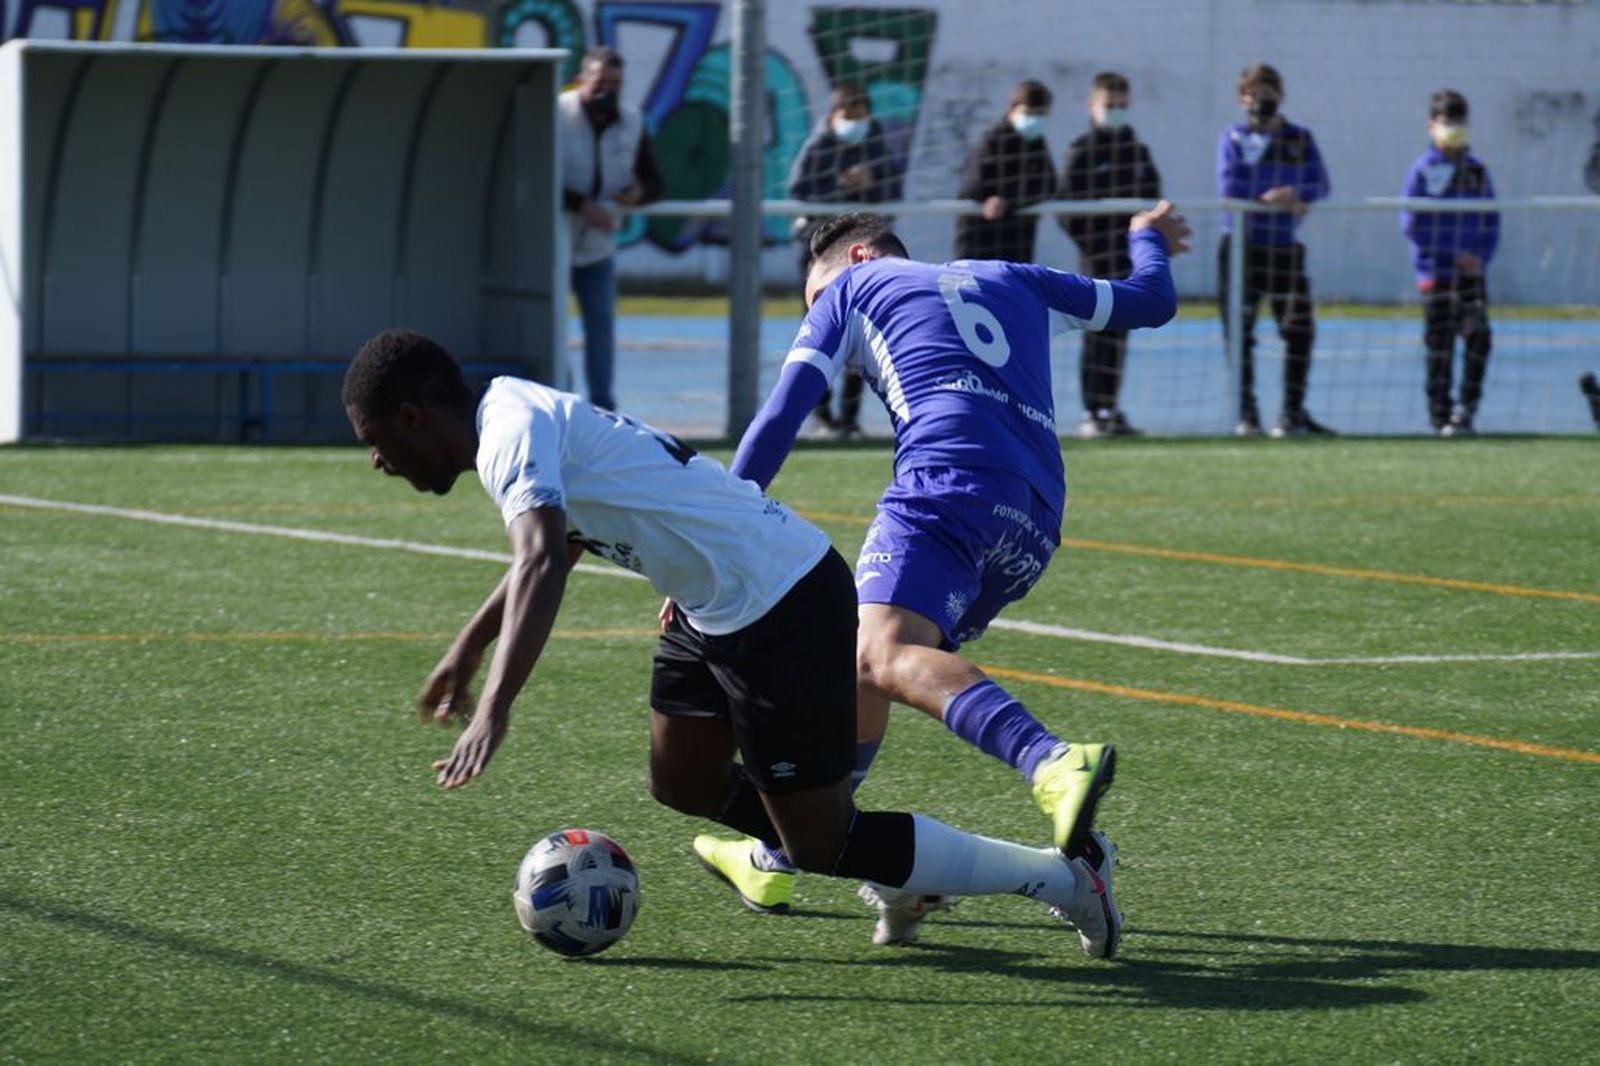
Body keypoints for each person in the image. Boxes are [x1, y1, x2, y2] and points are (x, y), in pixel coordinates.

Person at [340, 329, 1122, 957]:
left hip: (779, 600)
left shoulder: (510, 431)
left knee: (820, 843)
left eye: (375, 441)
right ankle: (895, 869)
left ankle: (1062, 878)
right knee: (681, 779)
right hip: (709, 608)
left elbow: (543, 557)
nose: (376, 462)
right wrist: (472, 648)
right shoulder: (511, 416)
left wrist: (496, 709)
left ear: (413, 417)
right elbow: (568, 542)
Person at [691, 204, 1191, 936]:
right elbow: (1153, 303)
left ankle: (1050, 761)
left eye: (814, 297)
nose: (820, 312)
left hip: (943, 484)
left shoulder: (855, 291)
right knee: (867, 663)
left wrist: (716, 525)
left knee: (876, 651)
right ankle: (787, 850)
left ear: (858, 257)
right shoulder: (1014, 275)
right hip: (1032, 517)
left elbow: (781, 415)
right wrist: (1148, 239)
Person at [1216, 63, 1333, 438]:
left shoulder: (1300, 139)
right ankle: (1246, 414)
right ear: (1241, 99)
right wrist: (1266, 197)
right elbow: (1230, 185)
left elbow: (1319, 182)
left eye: (1267, 93)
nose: (1259, 101)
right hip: (1241, 248)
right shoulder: (1232, 138)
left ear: (1279, 96)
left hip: (1283, 247)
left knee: (1299, 328)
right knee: (1239, 331)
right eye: (1252, 94)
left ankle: (1292, 413)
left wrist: (1297, 195)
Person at [788, 83, 903, 439]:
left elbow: (892, 192)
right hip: (822, 256)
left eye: (861, 113)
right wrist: (840, 185)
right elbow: (798, 191)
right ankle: (821, 414)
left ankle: (850, 418)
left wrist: (870, 186)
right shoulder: (819, 145)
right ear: (834, 115)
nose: (855, 121)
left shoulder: (875, 145)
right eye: (848, 114)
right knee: (819, 335)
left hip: (862, 259)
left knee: (863, 335)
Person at [1058, 71, 1163, 438]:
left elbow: (1151, 200)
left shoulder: (1138, 152)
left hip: (1127, 260)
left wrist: (1141, 244)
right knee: (1096, 332)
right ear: (1092, 106)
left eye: (1122, 106)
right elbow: (1066, 210)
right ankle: (1092, 410)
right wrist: (1093, 245)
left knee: (1120, 333)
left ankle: (1111, 406)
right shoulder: (1080, 151)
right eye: (1109, 105)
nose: (1116, 111)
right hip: (1096, 260)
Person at [559, 47, 663, 413]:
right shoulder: (558, 113)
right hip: (554, 245)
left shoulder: (631, 120)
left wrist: (637, 194)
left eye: (616, 83)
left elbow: (655, 183)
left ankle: (602, 411)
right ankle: (562, 403)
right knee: (553, 331)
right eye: (601, 81)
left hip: (599, 247)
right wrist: (579, 204)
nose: (608, 90)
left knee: (600, 334)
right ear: (583, 78)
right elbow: (538, 172)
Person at [1401, 90, 1500, 438]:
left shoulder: (1476, 172)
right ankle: (1439, 414)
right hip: (1436, 276)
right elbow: (1412, 224)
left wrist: (1480, 259)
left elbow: (1492, 221)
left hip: (1471, 275)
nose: (1453, 129)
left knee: (1479, 337)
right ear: (1431, 126)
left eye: (1458, 122)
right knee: (1439, 346)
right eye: (1446, 123)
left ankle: (1466, 409)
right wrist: (1448, 256)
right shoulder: (1422, 170)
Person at [953, 79, 1059, 263]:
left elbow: (1049, 184)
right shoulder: (990, 141)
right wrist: (994, 199)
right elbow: (973, 186)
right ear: (1012, 110)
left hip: (1017, 244)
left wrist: (1009, 201)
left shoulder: (1037, 144)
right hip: (979, 242)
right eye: (1028, 113)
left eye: (1040, 114)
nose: (1034, 120)